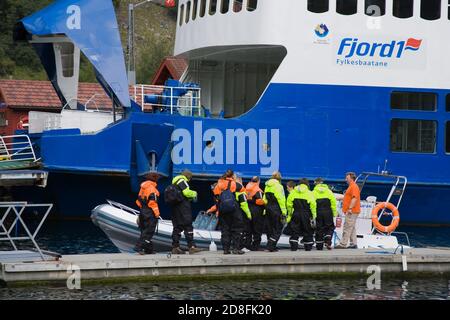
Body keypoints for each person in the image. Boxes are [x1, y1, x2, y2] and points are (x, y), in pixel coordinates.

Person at [212, 169, 246, 254]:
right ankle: (235, 248)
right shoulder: (235, 184)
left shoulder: (218, 184)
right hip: (234, 209)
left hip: (223, 210)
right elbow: (243, 190)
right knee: (236, 229)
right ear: (232, 176)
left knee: (225, 229)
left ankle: (225, 249)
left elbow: (216, 196)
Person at [171, 170, 202, 254]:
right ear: (188, 176)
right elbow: (187, 192)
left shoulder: (174, 182)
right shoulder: (182, 181)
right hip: (183, 207)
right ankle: (191, 247)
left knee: (177, 227)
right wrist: (194, 193)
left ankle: (175, 247)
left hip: (175, 207)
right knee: (188, 225)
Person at [286, 178, 316, 251]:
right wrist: (313, 216)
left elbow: (289, 204)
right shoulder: (309, 193)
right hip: (306, 214)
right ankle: (308, 247)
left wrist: (290, 214)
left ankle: (293, 247)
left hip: (296, 213)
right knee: (307, 230)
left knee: (295, 230)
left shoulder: (293, 192)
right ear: (307, 184)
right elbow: (313, 205)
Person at [135, 172, 160, 255]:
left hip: (142, 211)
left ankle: (148, 249)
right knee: (149, 231)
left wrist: (143, 209)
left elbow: (138, 201)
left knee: (144, 230)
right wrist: (157, 214)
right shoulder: (152, 189)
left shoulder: (143, 188)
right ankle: (139, 247)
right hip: (150, 212)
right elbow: (152, 203)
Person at [335, 172, 361, 249]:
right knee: (351, 227)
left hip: (352, 211)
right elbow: (349, 197)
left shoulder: (353, 186)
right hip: (352, 210)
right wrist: (340, 198)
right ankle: (353, 243)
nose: (346, 179)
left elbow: (354, 198)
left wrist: (350, 208)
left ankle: (343, 244)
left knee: (347, 226)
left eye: (347, 178)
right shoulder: (351, 186)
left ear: (351, 178)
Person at [263, 171, 287, 252]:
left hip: (268, 208)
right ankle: (270, 245)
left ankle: (272, 246)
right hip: (276, 209)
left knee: (270, 228)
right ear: (279, 178)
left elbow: (264, 199)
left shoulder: (267, 186)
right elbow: (281, 199)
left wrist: (267, 207)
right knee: (278, 228)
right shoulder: (279, 186)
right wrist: (284, 211)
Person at [313, 178, 337, 250]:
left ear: (316, 183)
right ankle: (328, 239)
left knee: (319, 228)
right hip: (328, 211)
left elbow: (312, 204)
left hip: (318, 211)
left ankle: (319, 245)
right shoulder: (329, 191)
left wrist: (313, 214)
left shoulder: (313, 192)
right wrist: (334, 213)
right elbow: (333, 203)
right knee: (330, 227)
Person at [245, 176, 265, 251]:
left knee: (249, 229)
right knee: (257, 229)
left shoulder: (247, 187)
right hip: (257, 211)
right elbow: (260, 201)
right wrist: (265, 203)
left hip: (248, 210)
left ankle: (247, 244)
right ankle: (255, 246)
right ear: (258, 181)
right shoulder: (257, 189)